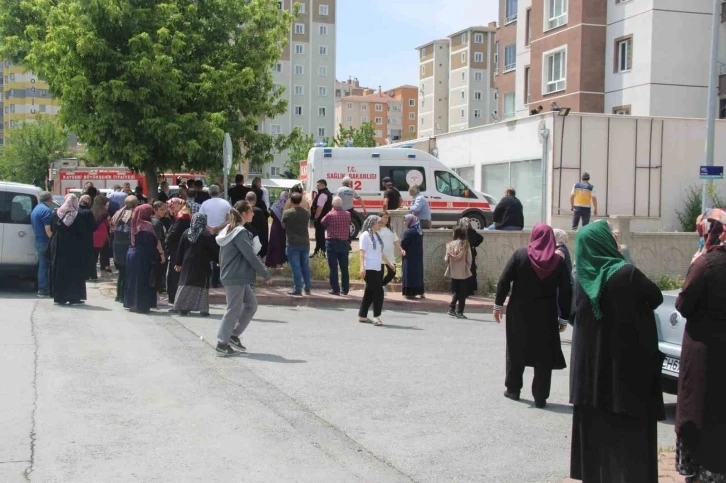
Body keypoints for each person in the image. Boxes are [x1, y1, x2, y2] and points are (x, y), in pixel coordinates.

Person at [569, 220, 664, 483]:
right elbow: (655, 297)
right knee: (628, 442)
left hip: (591, 378)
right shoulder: (627, 274)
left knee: (597, 438)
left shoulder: (581, 278)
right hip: (626, 374)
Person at [494, 223, 572, 408]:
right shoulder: (558, 262)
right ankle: (540, 396)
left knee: (515, 348)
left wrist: (498, 305)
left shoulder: (520, 255)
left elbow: (504, 280)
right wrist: (563, 318)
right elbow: (566, 291)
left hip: (519, 312)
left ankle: (513, 390)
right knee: (543, 355)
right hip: (546, 314)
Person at [674, 218, 726, 483]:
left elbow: (683, 303)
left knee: (700, 410)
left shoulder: (705, 264)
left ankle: (701, 471)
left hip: (704, 353)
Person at [215, 201, 273, 357]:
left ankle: (233, 335)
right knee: (233, 310)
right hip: (235, 276)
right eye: (251, 211)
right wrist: (265, 274)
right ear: (244, 214)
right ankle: (222, 343)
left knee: (251, 305)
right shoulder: (240, 232)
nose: (253, 214)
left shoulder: (230, 229)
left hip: (236, 275)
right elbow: (250, 256)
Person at [173, 213, 219, 316]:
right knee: (202, 285)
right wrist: (218, 260)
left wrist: (178, 263)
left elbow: (180, 249)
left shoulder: (186, 233)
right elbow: (213, 250)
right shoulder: (206, 234)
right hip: (202, 263)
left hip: (187, 262)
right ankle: (203, 310)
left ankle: (182, 308)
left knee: (186, 283)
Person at [49, 194, 91, 305]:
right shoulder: (77, 215)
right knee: (74, 271)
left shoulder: (56, 213)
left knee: (60, 271)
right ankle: (74, 297)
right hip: (74, 248)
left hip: (59, 247)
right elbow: (83, 232)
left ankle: (60, 297)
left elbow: (53, 228)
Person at [124, 204, 164, 313]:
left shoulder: (133, 223)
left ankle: (131, 303)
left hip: (132, 253)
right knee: (142, 280)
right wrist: (159, 254)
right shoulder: (147, 225)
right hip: (143, 255)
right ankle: (141, 305)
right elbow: (151, 242)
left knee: (133, 280)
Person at [357, 215, 395, 326]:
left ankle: (362, 315)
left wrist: (389, 264)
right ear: (372, 223)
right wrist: (362, 267)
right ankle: (376, 316)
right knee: (379, 292)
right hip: (369, 268)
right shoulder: (365, 235)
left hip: (377, 268)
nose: (380, 224)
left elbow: (380, 252)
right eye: (378, 223)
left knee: (369, 293)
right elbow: (362, 253)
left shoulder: (376, 236)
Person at [282, 192, 312, 296]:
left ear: (291, 201)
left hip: (292, 242)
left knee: (296, 267)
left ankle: (297, 288)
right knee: (305, 266)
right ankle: (307, 288)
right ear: (301, 201)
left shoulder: (287, 212)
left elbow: (283, 224)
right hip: (305, 242)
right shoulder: (306, 213)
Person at [321, 196, 351, 295]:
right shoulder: (348, 214)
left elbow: (322, 222)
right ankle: (345, 289)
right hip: (344, 243)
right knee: (344, 268)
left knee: (333, 268)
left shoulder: (330, 214)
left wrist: (331, 211)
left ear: (332, 204)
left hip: (332, 243)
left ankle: (335, 289)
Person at [111, 195, 138, 303]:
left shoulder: (118, 213)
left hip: (117, 244)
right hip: (127, 245)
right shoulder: (134, 214)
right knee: (128, 272)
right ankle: (124, 296)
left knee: (121, 272)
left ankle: (119, 295)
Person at [166, 199, 192, 308]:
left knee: (175, 274)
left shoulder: (182, 218)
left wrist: (166, 241)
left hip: (177, 250)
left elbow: (174, 234)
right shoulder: (184, 215)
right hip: (180, 249)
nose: (169, 209)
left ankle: (175, 299)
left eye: (170, 206)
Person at [30, 191, 54, 297]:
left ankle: (41, 287)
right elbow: (48, 230)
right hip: (45, 241)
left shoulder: (36, 209)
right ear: (49, 199)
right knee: (45, 266)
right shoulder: (47, 211)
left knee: (42, 265)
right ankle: (44, 289)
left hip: (39, 240)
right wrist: (54, 238)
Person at [445, 226, 473, 319]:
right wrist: (468, 267)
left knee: (456, 291)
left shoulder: (449, 244)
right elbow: (469, 258)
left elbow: (446, 259)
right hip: (463, 271)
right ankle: (459, 312)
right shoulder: (465, 244)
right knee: (463, 293)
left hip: (453, 271)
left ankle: (451, 308)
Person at [401, 214, 425, 299]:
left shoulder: (409, 232)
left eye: (406, 221)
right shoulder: (419, 231)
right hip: (418, 257)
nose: (404, 223)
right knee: (418, 274)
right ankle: (420, 292)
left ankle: (410, 293)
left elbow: (403, 244)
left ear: (411, 221)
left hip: (409, 257)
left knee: (409, 274)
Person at [459, 218, 483, 295]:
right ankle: (470, 290)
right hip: (471, 252)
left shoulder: (459, 231)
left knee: (461, 271)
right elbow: (480, 238)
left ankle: (462, 289)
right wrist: (474, 245)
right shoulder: (472, 231)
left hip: (461, 252)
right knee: (471, 271)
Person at [377, 211, 400, 288]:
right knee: (380, 274)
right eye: (385, 217)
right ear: (380, 218)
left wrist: (401, 249)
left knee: (392, 272)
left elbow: (395, 240)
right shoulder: (376, 228)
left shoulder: (390, 228)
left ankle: (381, 286)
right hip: (380, 255)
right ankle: (379, 291)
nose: (387, 219)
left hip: (390, 255)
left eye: (388, 218)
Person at [77, 195, 97, 280]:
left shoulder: (76, 211)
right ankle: (91, 275)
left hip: (77, 237)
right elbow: (93, 226)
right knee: (89, 257)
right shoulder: (88, 212)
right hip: (87, 237)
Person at [266, 191, 288, 268]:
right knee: (281, 244)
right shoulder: (287, 206)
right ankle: (281, 261)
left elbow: (271, 215)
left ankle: (271, 263)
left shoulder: (275, 204)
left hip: (275, 227)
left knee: (274, 243)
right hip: (283, 228)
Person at [311, 179, 333, 257]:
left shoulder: (323, 195)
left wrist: (315, 218)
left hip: (321, 218)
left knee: (319, 235)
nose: (317, 187)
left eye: (318, 185)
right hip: (324, 217)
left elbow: (319, 208)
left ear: (323, 185)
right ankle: (320, 252)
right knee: (320, 235)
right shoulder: (326, 193)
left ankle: (320, 253)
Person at [91, 195, 111, 277]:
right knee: (104, 253)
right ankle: (103, 270)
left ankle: (93, 273)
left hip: (93, 234)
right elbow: (107, 224)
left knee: (94, 254)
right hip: (103, 234)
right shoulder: (104, 212)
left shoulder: (91, 211)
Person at [244, 191, 268, 258]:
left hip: (244, 239)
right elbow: (264, 229)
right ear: (255, 200)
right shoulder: (259, 211)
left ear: (245, 199)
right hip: (256, 240)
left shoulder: (241, 210)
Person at [151, 201, 169, 293]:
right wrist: (162, 254)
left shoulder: (158, 221)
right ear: (155, 210)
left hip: (159, 252)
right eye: (161, 209)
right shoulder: (156, 222)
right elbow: (157, 239)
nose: (164, 211)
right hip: (158, 254)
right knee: (158, 274)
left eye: (165, 209)